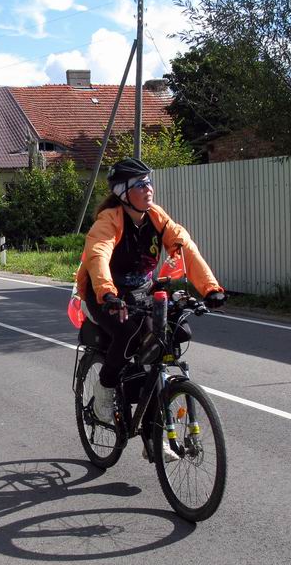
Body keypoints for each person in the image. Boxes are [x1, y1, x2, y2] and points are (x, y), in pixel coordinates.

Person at [75, 158, 226, 427]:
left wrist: (210, 288)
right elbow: (98, 255)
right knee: (128, 334)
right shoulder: (108, 222)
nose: (149, 189)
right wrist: (108, 294)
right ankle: (104, 391)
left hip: (141, 291)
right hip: (105, 294)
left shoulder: (157, 219)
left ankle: (153, 432)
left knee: (176, 332)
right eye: (140, 184)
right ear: (123, 192)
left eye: (149, 182)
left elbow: (184, 247)